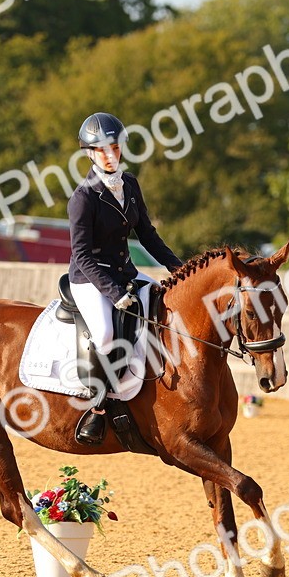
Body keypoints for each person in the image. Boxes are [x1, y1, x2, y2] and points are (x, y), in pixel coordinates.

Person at [67, 112, 184, 444]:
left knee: (165, 303)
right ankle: (98, 407)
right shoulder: (83, 197)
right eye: (101, 150)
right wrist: (114, 291)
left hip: (126, 274)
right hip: (90, 279)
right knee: (104, 333)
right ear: (90, 153)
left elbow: (147, 235)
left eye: (114, 148)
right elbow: (83, 254)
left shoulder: (129, 183)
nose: (109, 155)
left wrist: (180, 270)